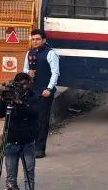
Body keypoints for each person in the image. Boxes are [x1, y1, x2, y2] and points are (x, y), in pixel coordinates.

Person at [0, 73, 42, 190]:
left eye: (25, 84)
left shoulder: (32, 96)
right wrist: (2, 98)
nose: (24, 87)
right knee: (11, 178)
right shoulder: (10, 95)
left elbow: (34, 112)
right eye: (21, 85)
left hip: (27, 141)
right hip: (11, 140)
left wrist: (20, 103)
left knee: (29, 175)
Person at [24, 28, 62, 158]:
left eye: (38, 39)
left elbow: (55, 73)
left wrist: (49, 89)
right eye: (33, 39)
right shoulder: (29, 53)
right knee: (31, 119)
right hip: (31, 92)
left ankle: (40, 149)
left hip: (44, 92)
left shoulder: (51, 54)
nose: (35, 41)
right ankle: (30, 146)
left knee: (42, 120)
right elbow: (25, 69)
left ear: (44, 40)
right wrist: (28, 74)